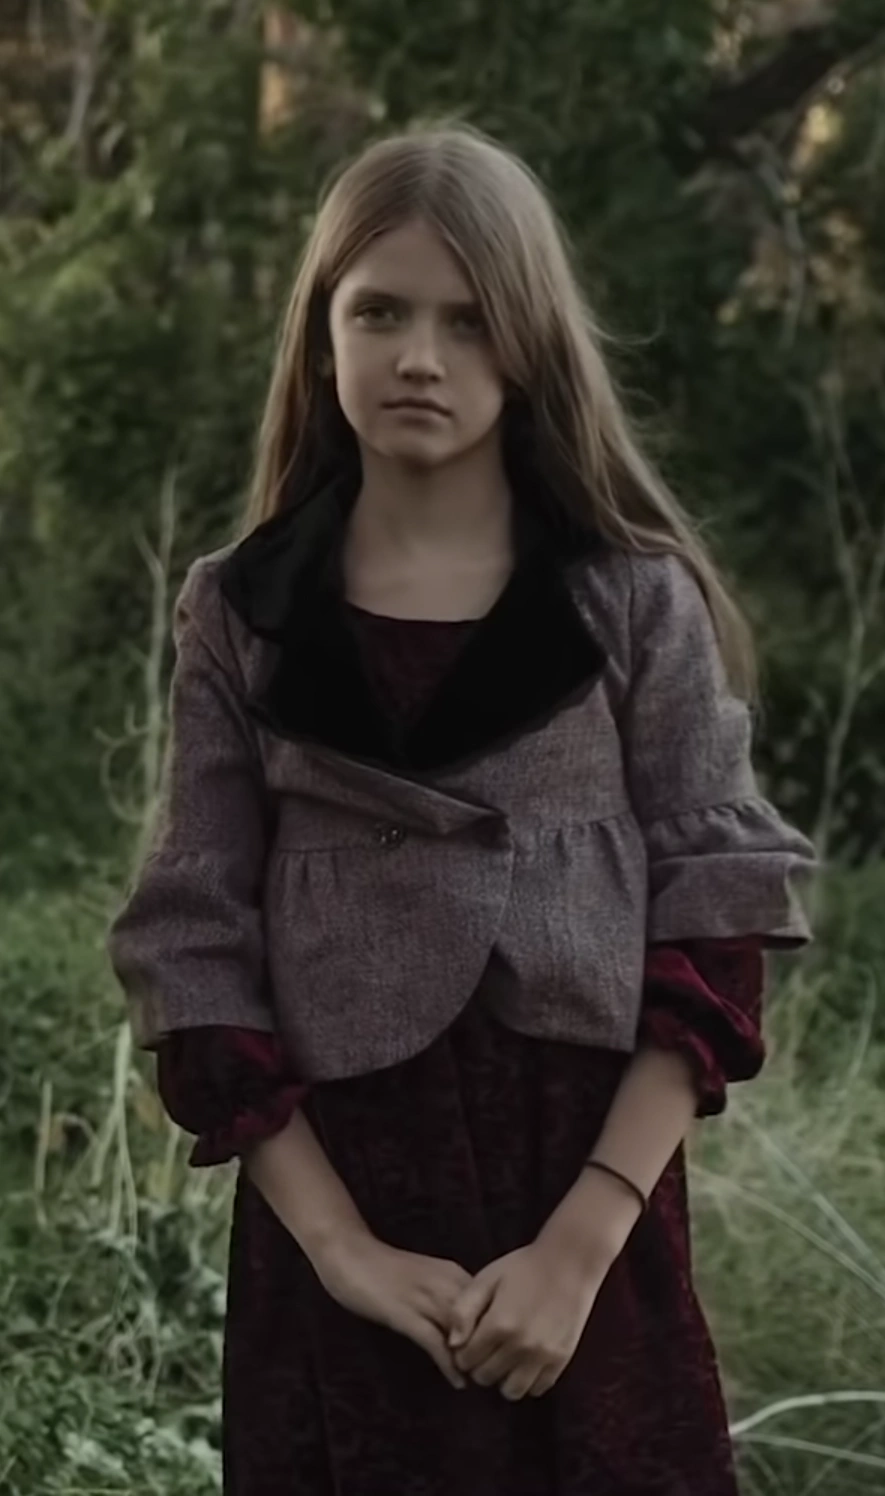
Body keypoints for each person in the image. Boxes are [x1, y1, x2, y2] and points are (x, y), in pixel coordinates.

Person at [106, 121, 817, 1496]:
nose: (420, 357)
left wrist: (583, 1244)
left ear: (530, 343)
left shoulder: (630, 601)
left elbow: (712, 926)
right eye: (379, 312)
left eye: (469, 320)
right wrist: (342, 1251)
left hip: (584, 1200)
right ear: (323, 331)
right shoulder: (241, 613)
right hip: (345, 1209)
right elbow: (193, 946)